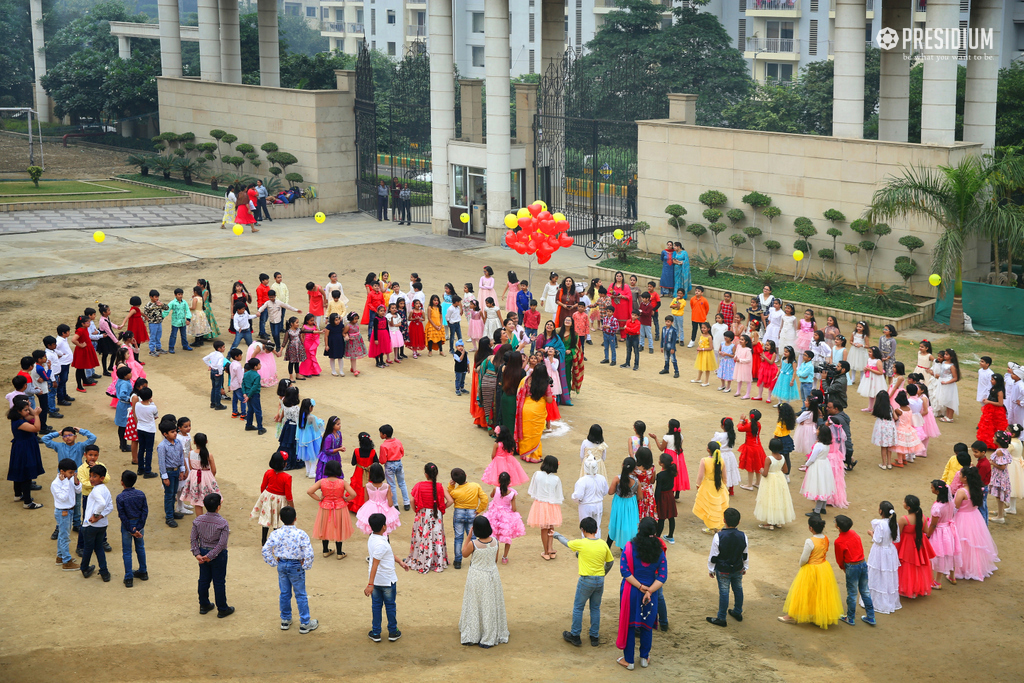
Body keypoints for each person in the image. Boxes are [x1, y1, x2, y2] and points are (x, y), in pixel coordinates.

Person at [552, 516, 613, 647]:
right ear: (596, 530)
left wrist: (556, 535)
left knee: (578, 607)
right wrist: (603, 574)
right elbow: (610, 562)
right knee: (595, 608)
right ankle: (594, 636)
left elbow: (566, 542)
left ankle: (575, 635)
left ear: (583, 530)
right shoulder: (603, 543)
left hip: (586, 580)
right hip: (599, 580)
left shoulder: (581, 543)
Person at [616, 518, 667, 670]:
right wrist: (649, 590)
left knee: (630, 625)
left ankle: (629, 661)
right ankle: (644, 658)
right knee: (646, 626)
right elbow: (663, 576)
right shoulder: (659, 550)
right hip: (650, 596)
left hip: (631, 592)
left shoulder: (630, 547)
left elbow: (624, 571)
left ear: (639, 530)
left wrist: (640, 587)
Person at [778, 515, 843, 628]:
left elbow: (804, 559)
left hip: (811, 568)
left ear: (810, 528)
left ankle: (791, 616)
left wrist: (802, 566)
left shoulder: (810, 541)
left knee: (803, 592)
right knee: (819, 592)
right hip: (823, 567)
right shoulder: (825, 538)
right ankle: (817, 615)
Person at [261, 505, 318, 633]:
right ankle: (305, 623)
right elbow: (309, 553)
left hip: (282, 564)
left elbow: (265, 550)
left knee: (285, 593)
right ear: (295, 518)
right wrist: (306, 565)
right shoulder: (301, 534)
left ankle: (285, 620)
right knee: (301, 594)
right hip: (296, 566)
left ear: (281, 519)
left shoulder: (276, 533)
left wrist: (273, 562)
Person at [457, 515, 509, 648]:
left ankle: (473, 633)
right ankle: (489, 634)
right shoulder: (496, 542)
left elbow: (463, 553)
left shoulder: (473, 544)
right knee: (490, 604)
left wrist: (468, 536)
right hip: (492, 575)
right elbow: (495, 560)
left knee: (475, 603)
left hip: (477, 576)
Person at [365, 512, 410, 642]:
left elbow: (388, 554)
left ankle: (376, 632)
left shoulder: (373, 538)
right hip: (387, 581)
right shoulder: (382, 544)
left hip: (377, 581)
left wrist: (400, 562)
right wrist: (370, 584)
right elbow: (375, 564)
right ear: (384, 527)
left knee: (376, 606)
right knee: (390, 606)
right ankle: (393, 631)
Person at [191, 493, 233, 617]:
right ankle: (222, 608)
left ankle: (204, 605)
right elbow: (221, 544)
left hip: (202, 553)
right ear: (218, 506)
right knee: (219, 581)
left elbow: (193, 539)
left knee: (203, 580)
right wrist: (211, 555)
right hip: (218, 555)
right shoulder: (223, 523)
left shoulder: (198, 520)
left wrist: (197, 554)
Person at [706, 507, 748, 627]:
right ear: (739, 522)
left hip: (723, 569)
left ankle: (721, 618)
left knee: (724, 593)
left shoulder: (719, 536)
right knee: (738, 589)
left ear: (724, 520)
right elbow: (745, 553)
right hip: (738, 568)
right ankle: (738, 612)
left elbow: (714, 555)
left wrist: (711, 568)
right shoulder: (743, 536)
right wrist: (745, 566)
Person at [833, 515, 875, 626]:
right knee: (865, 591)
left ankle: (850, 617)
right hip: (862, 563)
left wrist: (843, 568)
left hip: (851, 567)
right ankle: (871, 616)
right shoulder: (854, 534)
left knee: (852, 593)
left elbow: (839, 559)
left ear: (839, 527)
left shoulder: (839, 541)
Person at [896, 495, 936, 598]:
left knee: (906, 566)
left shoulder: (903, 519)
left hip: (906, 545)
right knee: (918, 566)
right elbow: (926, 531)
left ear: (908, 507)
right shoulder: (922, 517)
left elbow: (897, 534)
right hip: (919, 543)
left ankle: (906, 588)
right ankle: (917, 588)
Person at [79, 463, 113, 581]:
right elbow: (110, 507)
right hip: (102, 525)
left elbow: (102, 504)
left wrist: (95, 515)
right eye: (91, 476)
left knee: (88, 548)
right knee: (99, 548)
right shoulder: (106, 490)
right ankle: (104, 572)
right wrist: (100, 517)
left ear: (102, 478)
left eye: (94, 476)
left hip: (90, 525)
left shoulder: (95, 491)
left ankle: (84, 568)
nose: (91, 479)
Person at [8, 399, 44, 509]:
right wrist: (37, 415)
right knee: (26, 474)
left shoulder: (18, 419)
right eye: (25, 410)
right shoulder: (20, 422)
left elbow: (30, 416)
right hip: (25, 449)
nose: (28, 412)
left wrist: (29, 407)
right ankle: (27, 502)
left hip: (20, 447)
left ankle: (18, 494)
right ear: (19, 411)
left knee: (19, 471)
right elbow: (36, 428)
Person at [527, 456, 564, 560]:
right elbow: (558, 494)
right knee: (551, 527)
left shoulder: (537, 474)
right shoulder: (556, 479)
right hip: (552, 505)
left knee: (544, 528)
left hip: (540, 505)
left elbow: (533, 489)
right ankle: (550, 548)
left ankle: (546, 551)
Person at [754, 438, 795, 530]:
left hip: (770, 480)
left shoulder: (768, 459)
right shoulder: (783, 457)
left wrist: (761, 471)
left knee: (769, 499)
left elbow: (765, 474)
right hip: (779, 479)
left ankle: (770, 523)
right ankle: (778, 521)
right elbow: (786, 470)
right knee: (779, 499)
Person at [926, 479, 960, 589]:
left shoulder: (937, 507)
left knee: (940, 555)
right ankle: (952, 576)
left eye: (932, 488)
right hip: (949, 530)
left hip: (939, 532)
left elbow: (934, 525)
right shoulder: (950, 502)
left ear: (937, 491)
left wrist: (928, 535)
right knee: (950, 553)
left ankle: (937, 582)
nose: (931, 489)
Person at [116, 470, 148, 587]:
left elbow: (122, 515)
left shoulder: (120, 497)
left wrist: (131, 529)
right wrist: (138, 528)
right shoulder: (141, 494)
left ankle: (129, 577)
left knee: (127, 551)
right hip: (139, 524)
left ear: (122, 482)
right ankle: (143, 571)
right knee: (140, 548)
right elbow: (145, 511)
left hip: (127, 526)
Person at [52, 458, 82, 571]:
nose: (72, 474)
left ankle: (60, 557)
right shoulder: (56, 484)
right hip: (63, 512)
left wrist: (75, 480)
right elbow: (63, 497)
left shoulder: (69, 479)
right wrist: (65, 482)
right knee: (64, 537)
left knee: (62, 535)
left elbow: (78, 490)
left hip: (69, 511)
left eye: (73, 472)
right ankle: (66, 561)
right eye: (70, 472)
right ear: (62, 471)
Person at [693, 442, 729, 534]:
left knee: (709, 507)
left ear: (708, 450)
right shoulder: (721, 461)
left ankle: (711, 527)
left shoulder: (704, 460)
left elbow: (700, 475)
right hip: (719, 486)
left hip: (707, 485)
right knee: (718, 507)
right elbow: (724, 477)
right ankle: (718, 527)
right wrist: (724, 485)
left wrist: (698, 485)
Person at [157, 420, 186, 527]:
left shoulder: (178, 442)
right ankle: (169, 517)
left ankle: (172, 512)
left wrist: (182, 470)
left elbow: (181, 457)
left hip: (176, 471)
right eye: (172, 432)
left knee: (174, 492)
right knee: (169, 495)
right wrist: (165, 477)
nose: (175, 433)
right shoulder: (162, 446)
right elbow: (161, 463)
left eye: (175, 431)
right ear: (165, 434)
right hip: (168, 472)